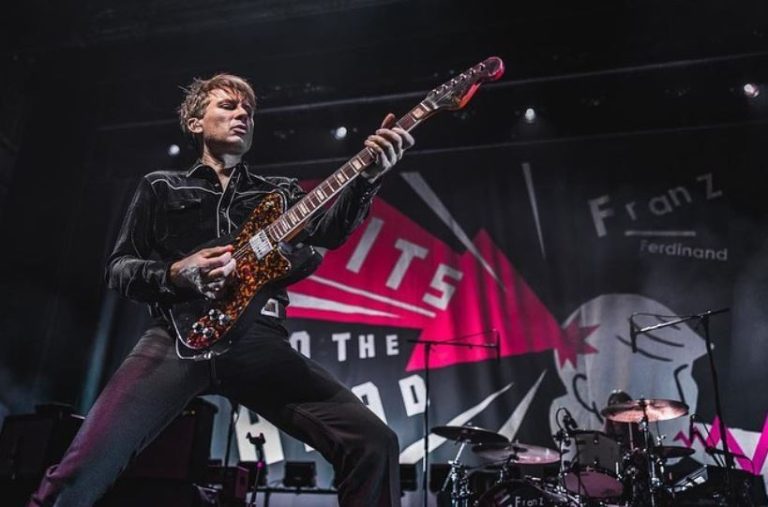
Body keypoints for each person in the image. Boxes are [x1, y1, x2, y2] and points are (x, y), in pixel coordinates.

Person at [28, 73, 414, 507]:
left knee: (373, 442)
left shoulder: (279, 192)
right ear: (195, 123)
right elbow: (119, 269)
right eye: (227, 106)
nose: (242, 114)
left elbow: (330, 230)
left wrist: (366, 179)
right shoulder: (161, 186)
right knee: (81, 470)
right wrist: (177, 272)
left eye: (248, 110)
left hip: (257, 340)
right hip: (174, 340)